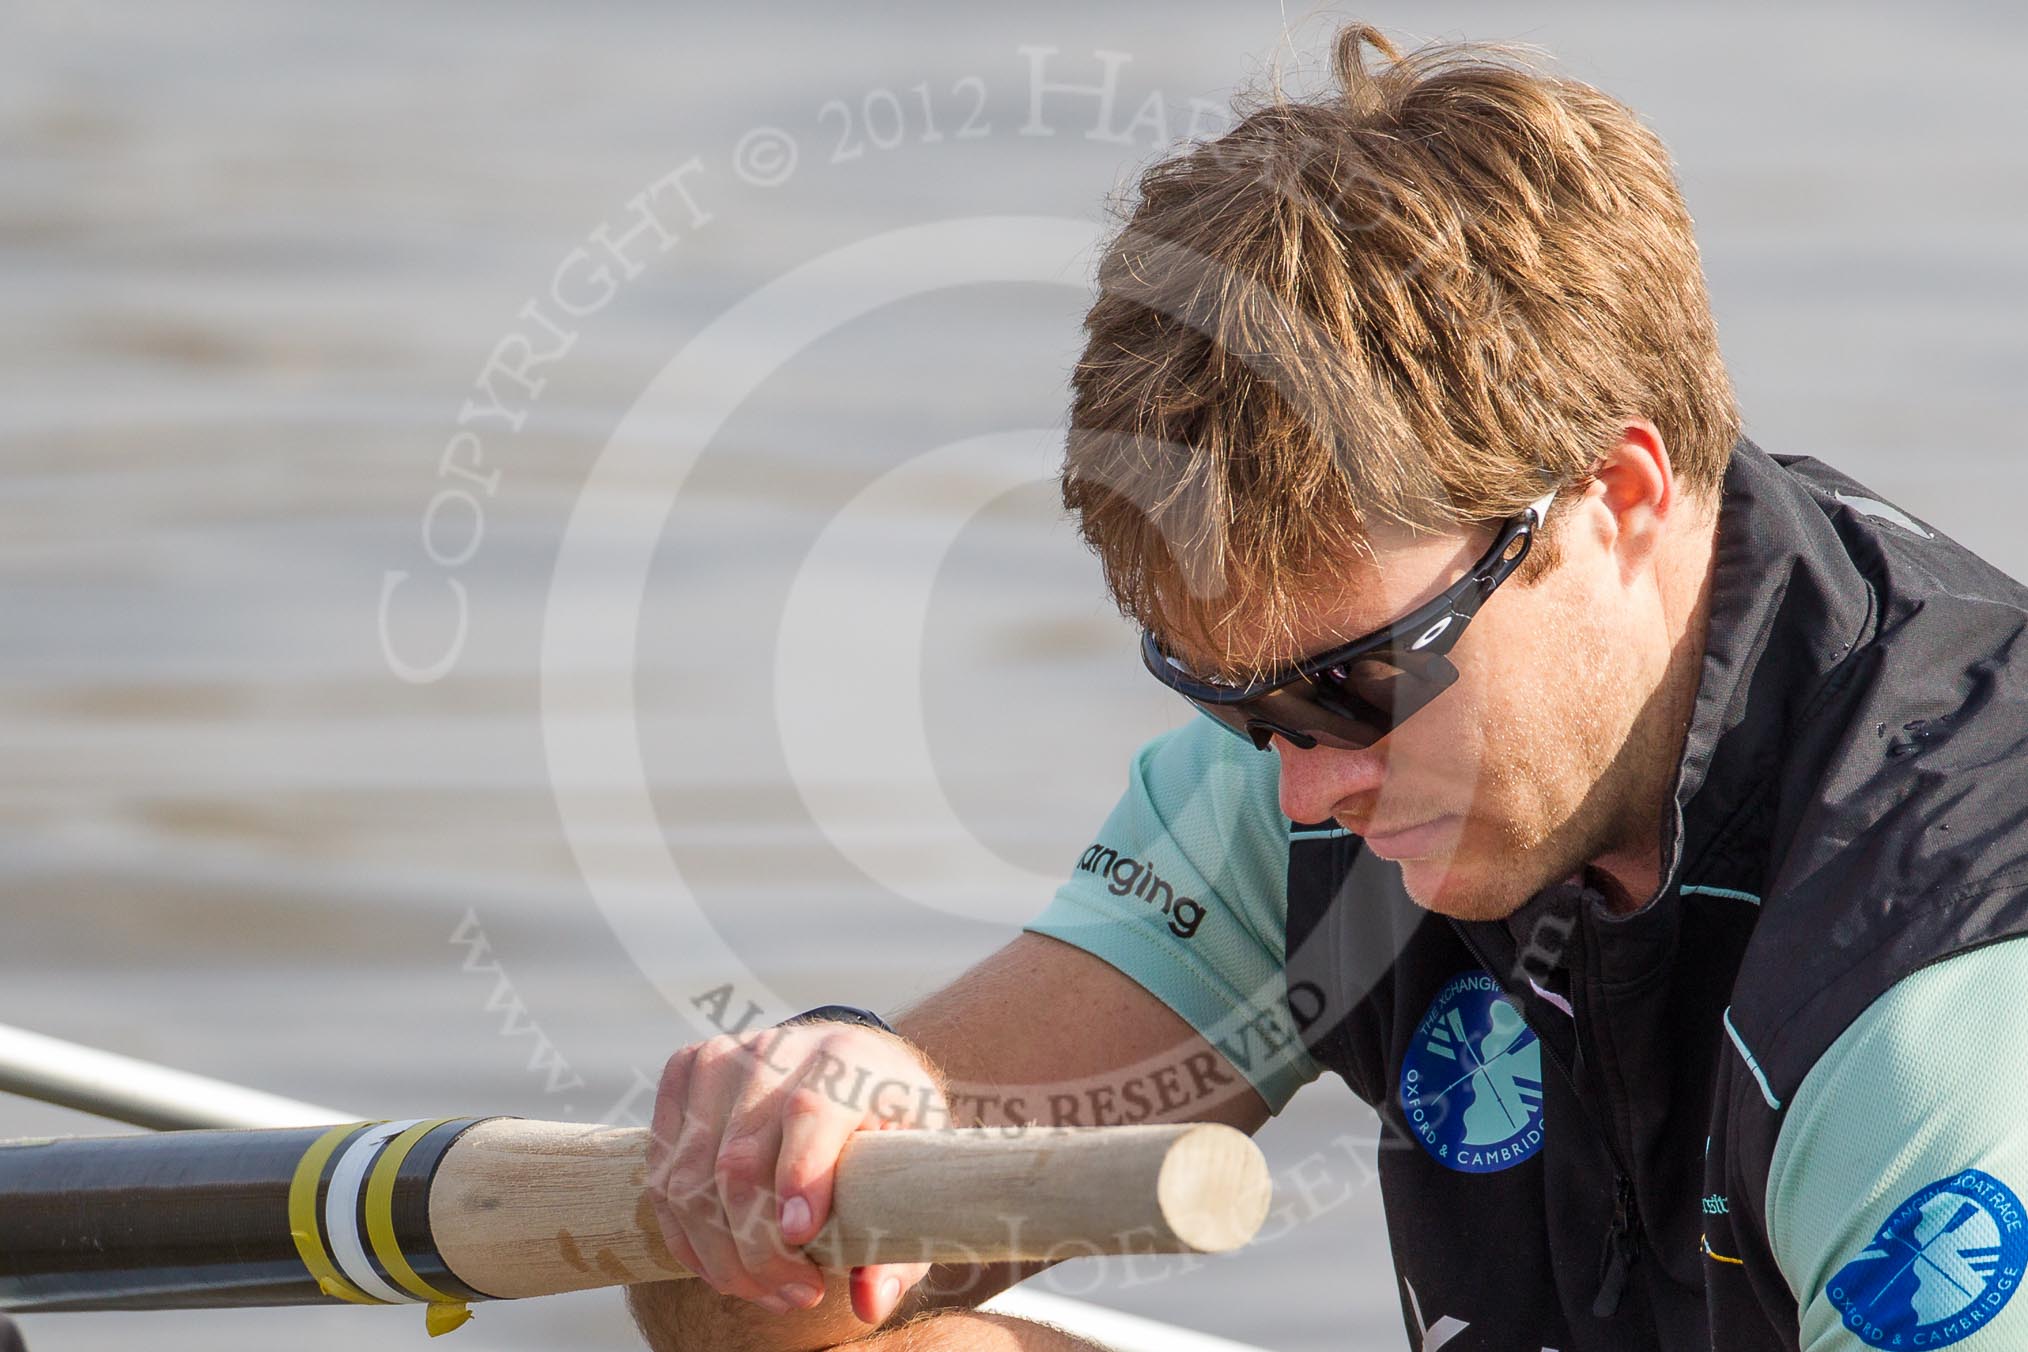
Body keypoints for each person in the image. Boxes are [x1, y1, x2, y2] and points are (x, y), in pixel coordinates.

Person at [629, 24, 2028, 1352]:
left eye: (1363, 685)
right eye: (1235, 701)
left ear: (1617, 495)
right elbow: (772, 1308)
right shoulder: (1318, 768)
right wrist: (800, 1139)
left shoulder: (1938, 1016)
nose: (1307, 783)